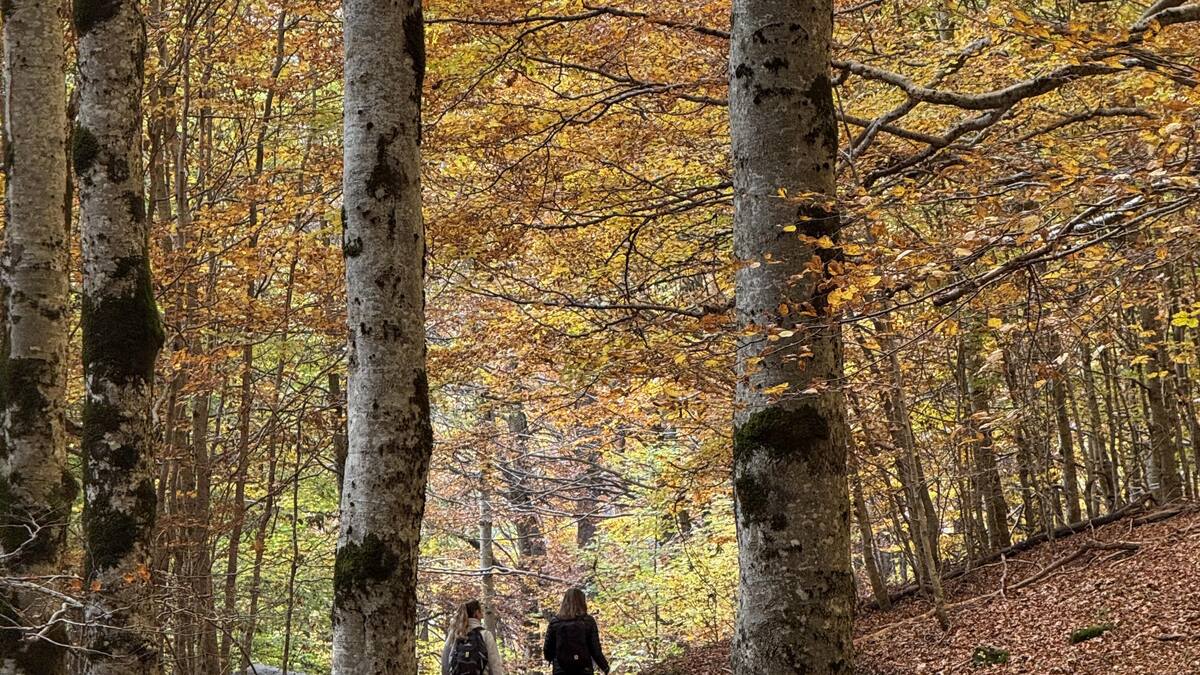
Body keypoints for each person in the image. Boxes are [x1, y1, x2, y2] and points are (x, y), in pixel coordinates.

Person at [543, 588, 610, 675]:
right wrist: (605, 667)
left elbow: (547, 651)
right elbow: (595, 650)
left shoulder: (555, 622)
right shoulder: (588, 621)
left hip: (561, 670)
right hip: (584, 670)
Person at [442, 599, 506, 675]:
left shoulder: (456, 634)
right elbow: (495, 665)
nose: (482, 615)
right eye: (480, 611)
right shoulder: (485, 634)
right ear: (476, 613)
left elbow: (445, 663)